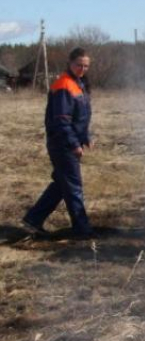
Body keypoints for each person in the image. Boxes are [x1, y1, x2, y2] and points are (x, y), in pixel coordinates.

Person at [22, 47, 94, 238]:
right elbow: (62, 120)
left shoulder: (77, 84)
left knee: (62, 184)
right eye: (79, 65)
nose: (82, 69)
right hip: (62, 144)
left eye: (86, 66)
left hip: (67, 142)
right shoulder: (64, 85)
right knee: (73, 186)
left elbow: (80, 116)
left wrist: (85, 137)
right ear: (70, 63)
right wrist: (74, 144)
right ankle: (81, 228)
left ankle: (33, 219)